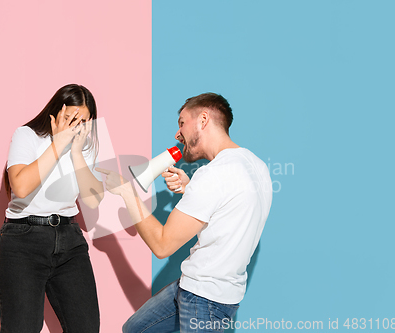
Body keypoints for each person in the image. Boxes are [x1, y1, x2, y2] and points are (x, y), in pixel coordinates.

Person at [97, 92, 272, 333]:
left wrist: (128, 192)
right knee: (135, 329)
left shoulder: (212, 175)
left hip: (204, 298)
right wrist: (191, 190)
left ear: (203, 119)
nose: (177, 134)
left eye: (182, 123)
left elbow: (162, 245)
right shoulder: (256, 165)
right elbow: (232, 210)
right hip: (199, 287)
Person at [0, 84, 104, 333]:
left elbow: (93, 200)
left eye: (83, 121)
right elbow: (20, 186)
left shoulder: (86, 146)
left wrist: (75, 151)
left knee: (86, 327)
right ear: (55, 112)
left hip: (70, 241)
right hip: (23, 242)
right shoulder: (27, 135)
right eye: (70, 118)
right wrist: (58, 144)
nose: (76, 126)